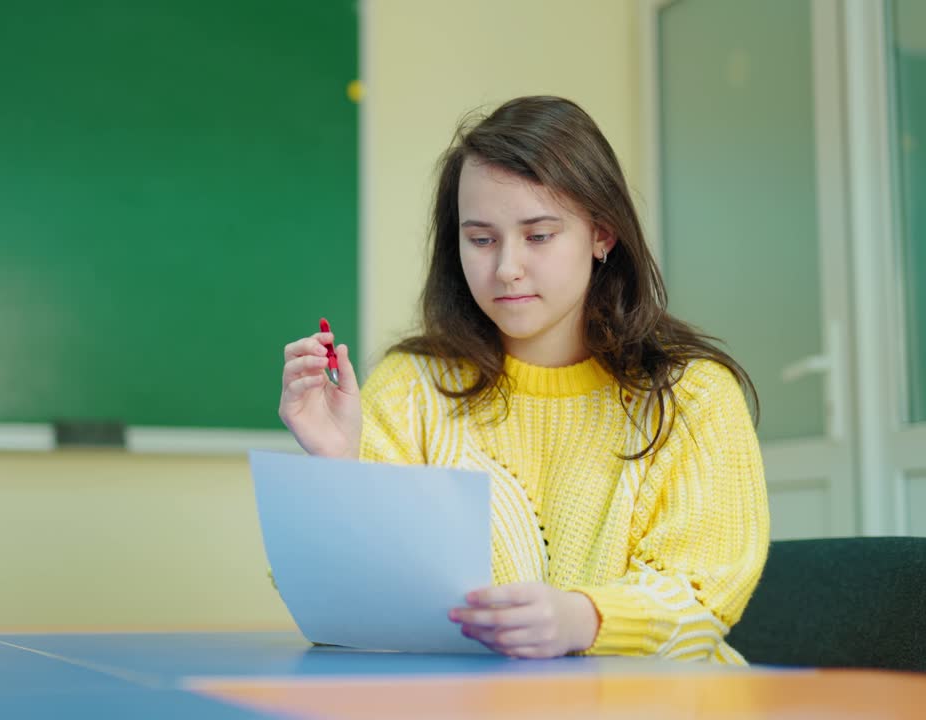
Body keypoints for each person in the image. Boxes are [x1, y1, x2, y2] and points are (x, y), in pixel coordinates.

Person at [278, 96, 768, 663]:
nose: (507, 267)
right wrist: (337, 469)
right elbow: (349, 613)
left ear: (602, 234)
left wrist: (581, 620)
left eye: (538, 236)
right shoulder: (410, 386)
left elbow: (703, 602)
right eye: (481, 239)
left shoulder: (691, 395)